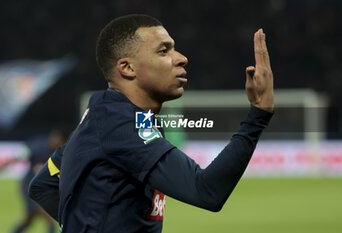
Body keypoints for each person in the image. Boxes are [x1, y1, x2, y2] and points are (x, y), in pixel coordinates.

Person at [29, 14, 274, 233]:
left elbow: (43, 183)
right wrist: (258, 115)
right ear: (127, 67)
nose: (182, 58)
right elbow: (206, 191)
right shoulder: (123, 123)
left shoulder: (104, 117)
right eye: (164, 51)